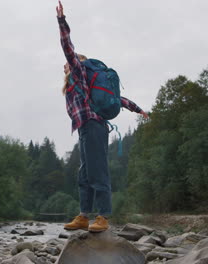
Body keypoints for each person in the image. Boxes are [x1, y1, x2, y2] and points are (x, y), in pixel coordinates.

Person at [56, 1, 149, 233]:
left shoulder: (80, 72)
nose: (65, 67)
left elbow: (67, 47)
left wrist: (61, 21)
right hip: (86, 128)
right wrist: (138, 109)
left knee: (98, 172)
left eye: (69, 64)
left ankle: (103, 217)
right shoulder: (76, 84)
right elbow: (121, 101)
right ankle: (84, 216)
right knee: (84, 174)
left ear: (78, 63)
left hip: (94, 126)